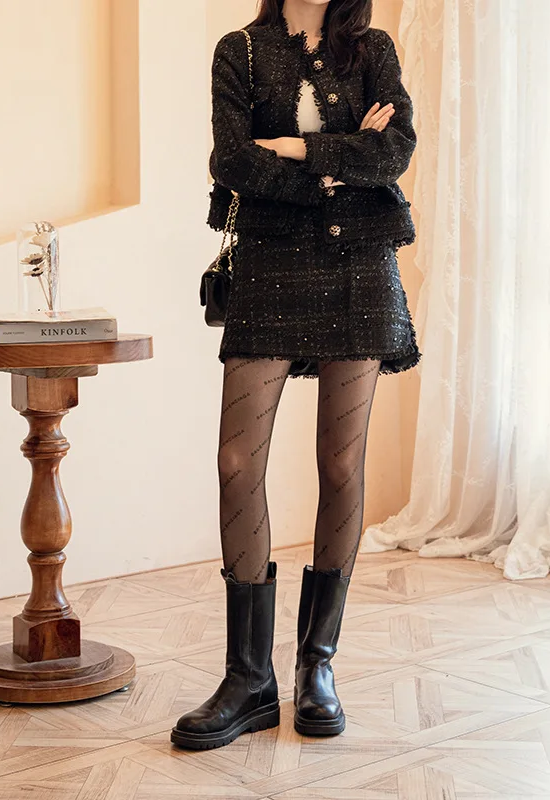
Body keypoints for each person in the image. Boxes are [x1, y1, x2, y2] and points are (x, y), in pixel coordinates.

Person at [171, 0, 420, 750]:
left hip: (361, 268)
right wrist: (338, 165)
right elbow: (232, 161)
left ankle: (318, 665)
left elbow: (395, 150)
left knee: (341, 464)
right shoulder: (240, 50)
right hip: (270, 265)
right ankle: (249, 678)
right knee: (236, 461)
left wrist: (296, 150)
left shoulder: (372, 49)